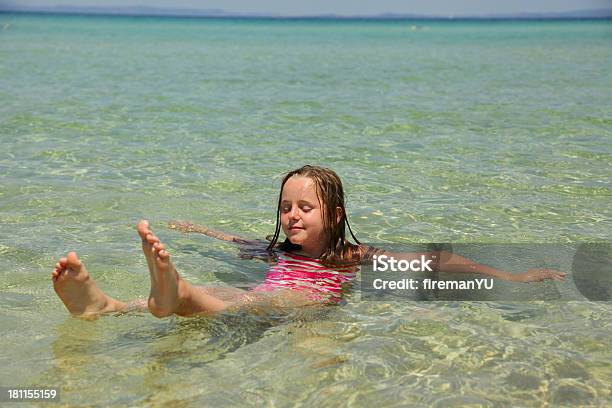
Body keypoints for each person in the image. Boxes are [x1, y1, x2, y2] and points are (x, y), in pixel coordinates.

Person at [52, 165, 566, 318]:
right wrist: (201, 231)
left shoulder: (351, 257)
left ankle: (174, 292)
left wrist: (510, 277)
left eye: (305, 207)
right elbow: (238, 239)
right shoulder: (277, 250)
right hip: (266, 299)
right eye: (284, 207)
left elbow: (436, 260)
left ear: (335, 215)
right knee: (233, 298)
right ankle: (108, 303)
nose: (291, 216)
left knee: (251, 302)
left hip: (300, 308)